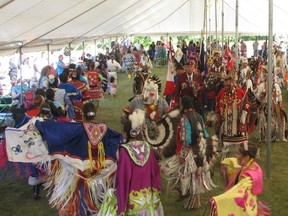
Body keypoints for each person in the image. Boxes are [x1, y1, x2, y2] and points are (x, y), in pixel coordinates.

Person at [98, 109, 164, 215]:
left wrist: (122, 207)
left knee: (108, 199)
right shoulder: (148, 148)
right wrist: (156, 196)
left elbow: (123, 179)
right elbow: (155, 175)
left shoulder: (124, 151)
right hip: (147, 202)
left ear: (125, 133)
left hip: (132, 205)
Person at [161, 95, 218, 209]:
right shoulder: (199, 116)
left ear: (184, 105)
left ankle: (186, 195)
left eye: (181, 103)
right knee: (195, 176)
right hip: (200, 149)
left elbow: (185, 138)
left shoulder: (184, 118)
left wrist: (183, 155)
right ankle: (192, 200)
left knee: (175, 173)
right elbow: (205, 134)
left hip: (189, 152)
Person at [210, 142, 271, 216]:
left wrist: (217, 200)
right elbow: (235, 165)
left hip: (244, 209)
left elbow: (237, 194)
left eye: (238, 154)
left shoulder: (247, 179)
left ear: (247, 157)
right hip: (251, 204)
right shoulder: (254, 165)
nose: (236, 156)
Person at [215, 75, 251, 158]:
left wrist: (244, 112)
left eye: (228, 86)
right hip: (226, 125)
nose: (226, 88)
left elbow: (248, 103)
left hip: (238, 125)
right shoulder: (222, 93)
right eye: (225, 86)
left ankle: (242, 158)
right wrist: (217, 115)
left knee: (241, 144)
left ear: (233, 84)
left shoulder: (240, 92)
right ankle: (226, 160)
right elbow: (217, 105)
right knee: (226, 145)